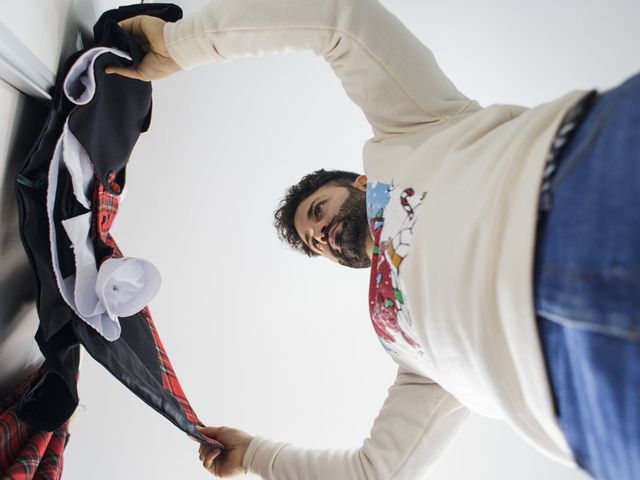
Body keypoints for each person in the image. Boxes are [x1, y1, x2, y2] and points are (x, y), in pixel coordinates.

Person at [108, 1, 640, 479]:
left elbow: (343, 21)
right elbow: (374, 473)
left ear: (360, 182)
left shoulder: (412, 130)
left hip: (582, 190)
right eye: (315, 241)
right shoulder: (407, 354)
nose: (320, 233)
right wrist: (253, 455)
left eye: (318, 211)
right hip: (591, 400)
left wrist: (180, 44)